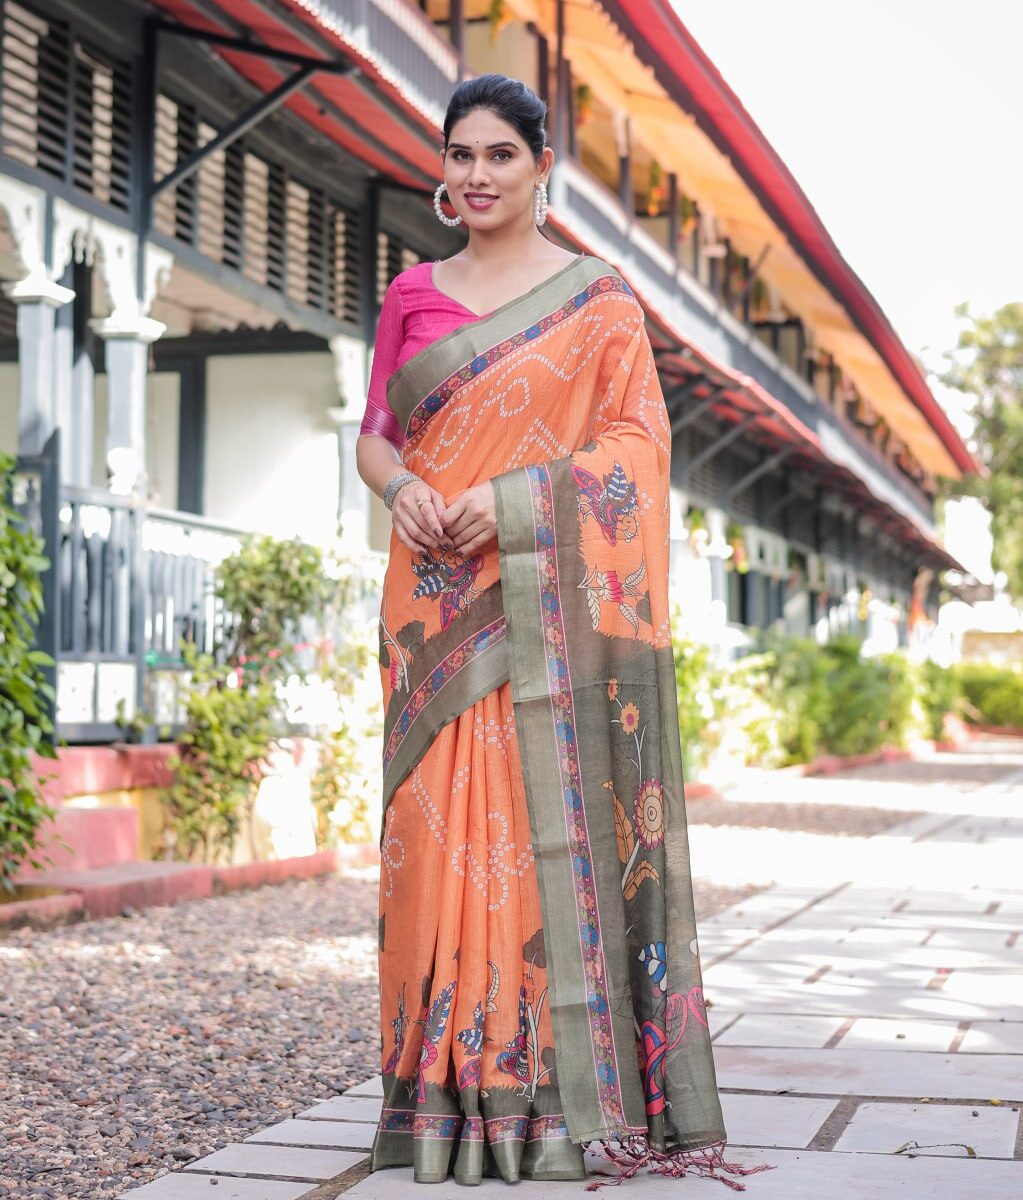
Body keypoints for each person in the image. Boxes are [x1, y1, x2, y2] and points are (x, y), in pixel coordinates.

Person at [355, 73, 769, 1190]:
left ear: (543, 166)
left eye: (498, 154)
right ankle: (438, 1094)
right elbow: (377, 436)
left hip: (540, 604)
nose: (475, 174)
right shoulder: (412, 295)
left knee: (542, 840)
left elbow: (639, 447)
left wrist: (520, 501)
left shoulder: (599, 304)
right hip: (434, 606)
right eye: (459, 154)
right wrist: (401, 490)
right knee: (433, 844)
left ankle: (543, 1092)